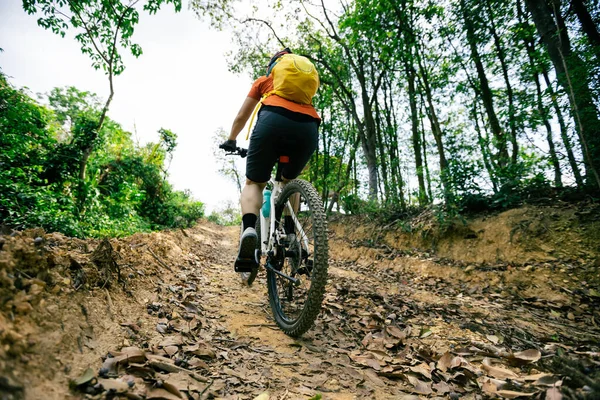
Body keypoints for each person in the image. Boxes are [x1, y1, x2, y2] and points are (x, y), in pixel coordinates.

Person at [220, 48, 320, 274]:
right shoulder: (303, 89)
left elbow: (241, 117)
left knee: (254, 183)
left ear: (274, 67)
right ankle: (291, 232)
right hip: (308, 128)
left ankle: (248, 230)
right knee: (289, 180)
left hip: (271, 123)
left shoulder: (265, 82)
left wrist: (231, 139)